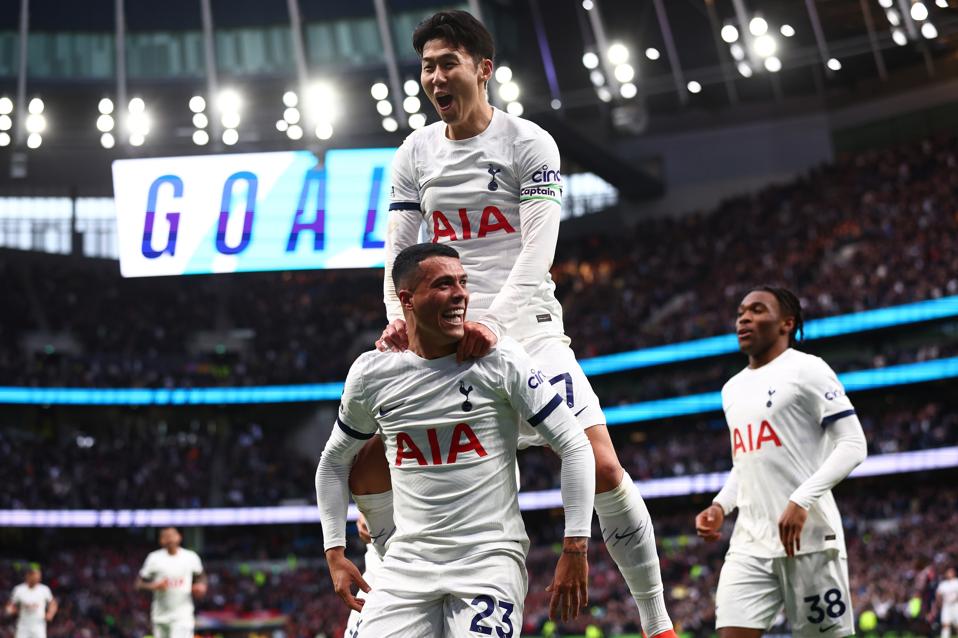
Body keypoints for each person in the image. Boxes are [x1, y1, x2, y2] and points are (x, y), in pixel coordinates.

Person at [354, 10, 677, 637]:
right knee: (369, 462)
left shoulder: (529, 143)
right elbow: (397, 255)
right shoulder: (413, 154)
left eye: (447, 63)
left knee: (601, 464)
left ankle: (657, 622)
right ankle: (394, 584)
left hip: (527, 329)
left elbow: (538, 250)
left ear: (483, 69)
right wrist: (398, 323)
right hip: (442, 334)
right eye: (427, 67)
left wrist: (493, 327)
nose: (435, 77)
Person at [316, 243, 596, 636]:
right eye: (444, 284)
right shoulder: (372, 374)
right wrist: (334, 551)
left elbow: (574, 444)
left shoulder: (502, 360)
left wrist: (575, 547)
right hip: (407, 561)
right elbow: (333, 462)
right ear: (407, 300)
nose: (461, 294)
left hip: (487, 560)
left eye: (463, 282)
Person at [694, 286, 868, 637]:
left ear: (787, 323)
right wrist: (720, 505)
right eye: (741, 312)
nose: (744, 318)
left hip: (810, 541)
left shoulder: (808, 370)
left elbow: (853, 444)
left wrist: (801, 500)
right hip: (749, 544)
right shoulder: (731, 389)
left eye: (757, 310)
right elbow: (747, 461)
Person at [135, 526, 207, 638]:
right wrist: (154, 586)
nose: (169, 539)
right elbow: (138, 585)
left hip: (183, 616)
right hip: (160, 617)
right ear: (161, 540)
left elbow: (201, 576)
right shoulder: (154, 558)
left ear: (179, 537)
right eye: (165, 536)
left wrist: (201, 586)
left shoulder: (190, 557)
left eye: (172, 535)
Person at [5, 567, 56, 638]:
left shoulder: (44, 589)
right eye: (36, 576)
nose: (38, 578)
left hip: (39, 625)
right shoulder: (19, 589)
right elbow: (10, 604)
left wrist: (50, 613)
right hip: (23, 625)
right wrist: (10, 610)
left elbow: (53, 603)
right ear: (28, 576)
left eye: (39, 576)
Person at [936, 567, 958, 638]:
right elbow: (938, 594)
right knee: (945, 624)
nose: (949, 574)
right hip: (946, 605)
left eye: (951, 572)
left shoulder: (956, 582)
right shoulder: (943, 584)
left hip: (956, 605)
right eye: (948, 572)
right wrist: (940, 603)